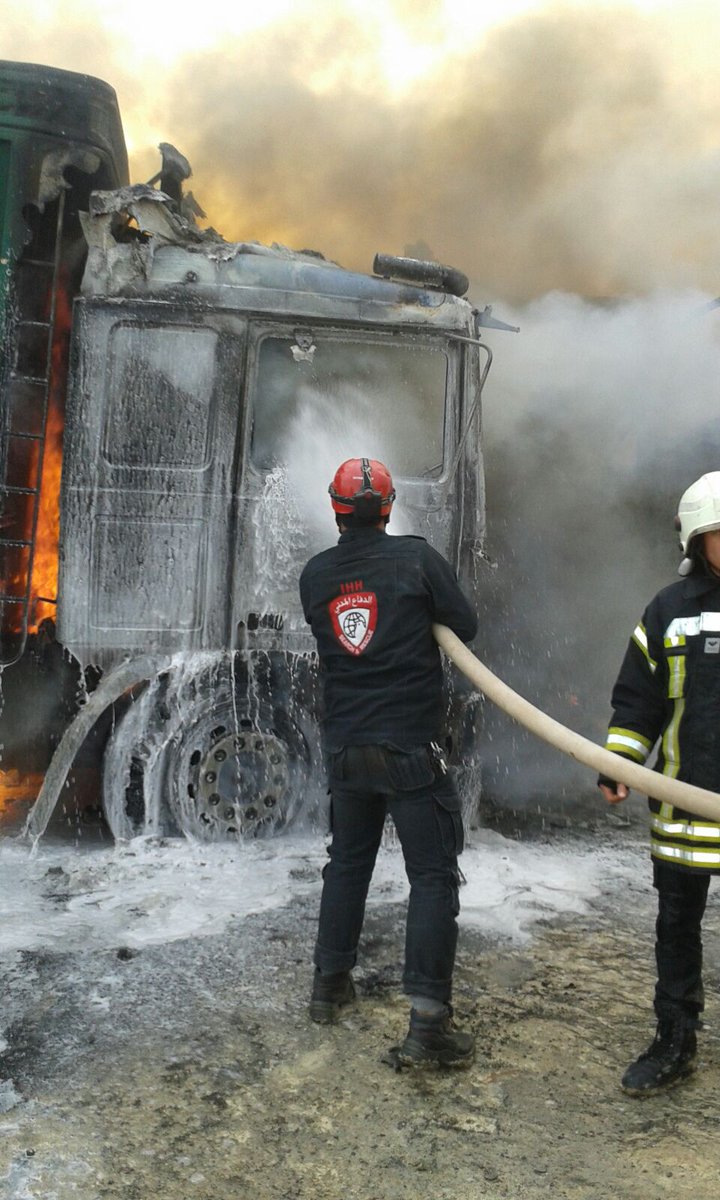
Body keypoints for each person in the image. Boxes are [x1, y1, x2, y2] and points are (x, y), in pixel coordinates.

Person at [299, 456, 478, 1067]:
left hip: (347, 749)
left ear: (336, 509)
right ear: (390, 507)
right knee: (431, 877)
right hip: (408, 749)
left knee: (347, 863)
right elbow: (467, 624)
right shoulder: (417, 560)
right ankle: (428, 1028)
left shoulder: (315, 576)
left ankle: (328, 989)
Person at [599, 471, 720, 1095]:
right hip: (684, 806)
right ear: (698, 543)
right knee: (676, 927)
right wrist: (617, 765)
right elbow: (638, 702)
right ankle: (675, 1041)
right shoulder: (668, 612)